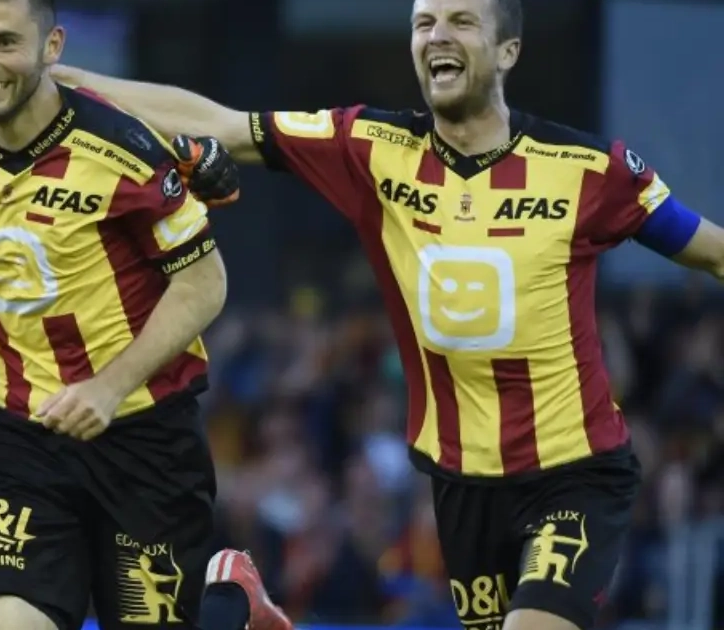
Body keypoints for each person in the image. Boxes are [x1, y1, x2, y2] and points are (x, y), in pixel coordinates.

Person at [40, 0, 724, 629]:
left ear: (508, 51)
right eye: (424, 23)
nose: (437, 36)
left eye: (462, 21)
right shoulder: (371, 147)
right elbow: (222, 125)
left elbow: (711, 252)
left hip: (575, 472)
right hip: (460, 485)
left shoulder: (590, 169)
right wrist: (64, 81)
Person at [0, 1, 288, 629]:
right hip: (25, 442)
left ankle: (231, 604)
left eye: (4, 42)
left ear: (52, 46)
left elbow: (204, 284)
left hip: (146, 438)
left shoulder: (124, 148)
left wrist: (109, 387)